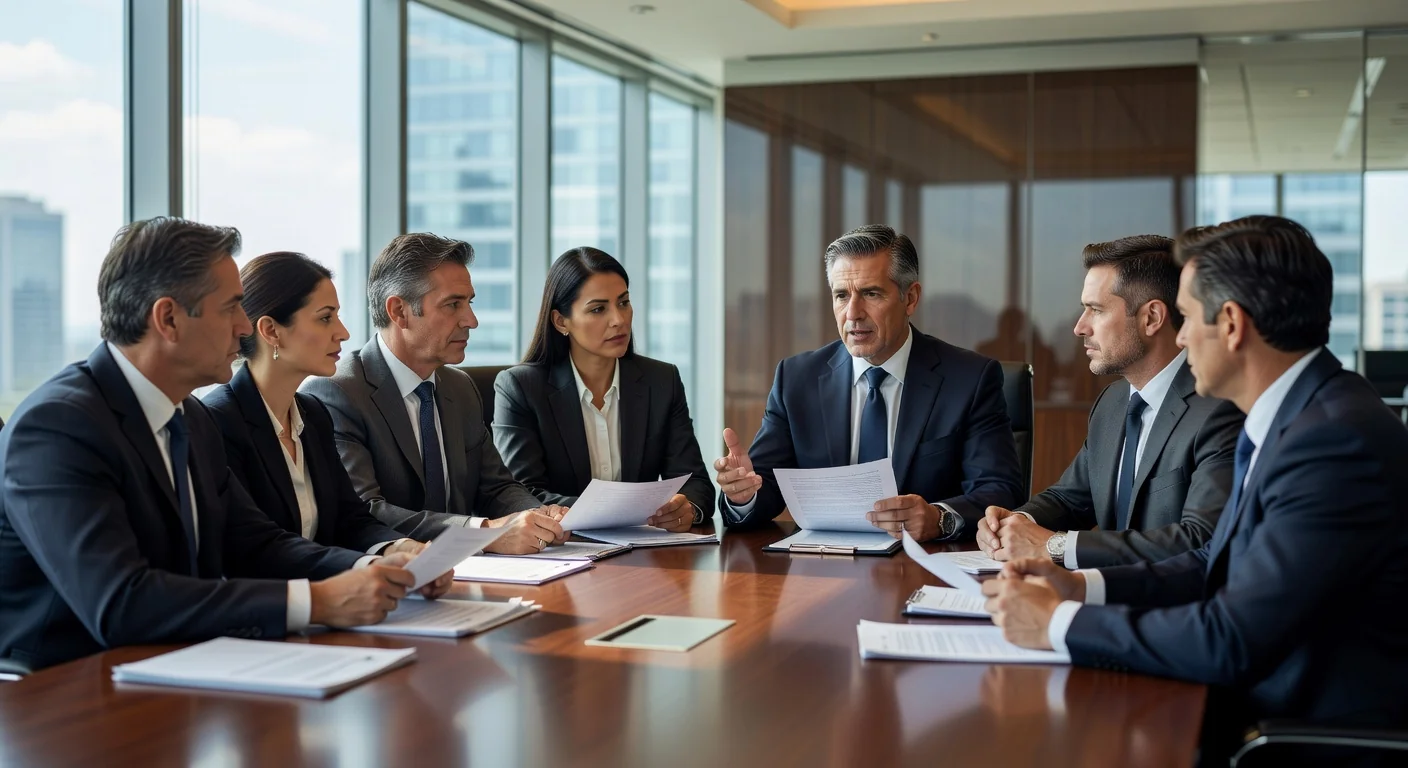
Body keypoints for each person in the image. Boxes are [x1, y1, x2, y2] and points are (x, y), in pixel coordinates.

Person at [982, 216, 1408, 755]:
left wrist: (1059, 623)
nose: (1180, 338)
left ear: (1230, 324)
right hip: (1250, 695)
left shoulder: (1332, 442)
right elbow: (1214, 561)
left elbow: (1230, 638)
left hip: (1292, 731)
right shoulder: (1296, 417)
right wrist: (1082, 587)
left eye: (1188, 318)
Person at [0, 218, 441, 671]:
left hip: (176, 668)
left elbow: (256, 541)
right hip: (65, 689)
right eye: (230, 308)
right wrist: (315, 602)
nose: (243, 326)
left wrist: (369, 570)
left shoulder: (189, 417)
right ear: (168, 318)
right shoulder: (58, 427)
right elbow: (119, 602)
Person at [714, 224, 1024, 541]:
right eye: (841, 295)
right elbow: (765, 485)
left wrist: (938, 517)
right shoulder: (796, 379)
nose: (853, 313)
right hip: (822, 566)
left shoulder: (969, 378)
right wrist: (743, 495)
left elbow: (999, 488)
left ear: (911, 298)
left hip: (922, 564)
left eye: (871, 294)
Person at [978, 235, 1243, 568]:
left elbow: (1198, 540)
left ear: (1151, 318)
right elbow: (1069, 498)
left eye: (1096, 310)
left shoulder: (1219, 409)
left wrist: (1057, 545)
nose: (1079, 327)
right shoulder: (1113, 402)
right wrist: (1016, 523)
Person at [300, 233, 566, 554]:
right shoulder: (337, 392)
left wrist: (538, 515)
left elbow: (495, 487)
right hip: (394, 580)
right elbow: (366, 511)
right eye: (453, 304)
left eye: (470, 303)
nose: (472, 320)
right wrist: (483, 531)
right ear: (399, 312)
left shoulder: (460, 387)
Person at [203, 252, 439, 560]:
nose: (343, 332)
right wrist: (365, 568)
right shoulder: (218, 422)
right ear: (271, 331)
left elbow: (350, 519)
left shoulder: (313, 414)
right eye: (325, 317)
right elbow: (255, 549)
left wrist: (399, 547)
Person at [492, 247, 713, 531]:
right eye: (598, 309)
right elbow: (521, 495)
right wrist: (620, 513)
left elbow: (695, 482)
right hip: (562, 551)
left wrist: (687, 509)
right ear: (561, 321)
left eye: (623, 303)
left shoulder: (661, 381)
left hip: (643, 555)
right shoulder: (520, 388)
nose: (619, 320)